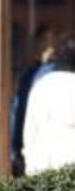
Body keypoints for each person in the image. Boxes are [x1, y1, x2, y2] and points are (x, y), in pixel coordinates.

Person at [22, 34, 75, 176]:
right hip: (67, 171)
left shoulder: (41, 84)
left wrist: (29, 163)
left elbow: (30, 130)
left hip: (40, 167)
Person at [9, 25, 56, 175]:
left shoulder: (38, 74)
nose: (50, 48)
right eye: (45, 43)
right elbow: (18, 113)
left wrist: (15, 152)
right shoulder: (32, 76)